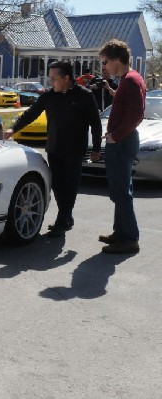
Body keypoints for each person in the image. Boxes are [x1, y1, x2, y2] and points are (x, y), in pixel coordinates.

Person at [3, 61, 102, 238]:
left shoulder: (84, 96)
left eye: (54, 79)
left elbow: (95, 123)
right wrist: (13, 128)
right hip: (55, 147)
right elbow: (31, 113)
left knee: (70, 186)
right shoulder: (49, 96)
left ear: (66, 78)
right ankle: (66, 216)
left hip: (75, 149)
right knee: (56, 184)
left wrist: (95, 148)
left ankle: (62, 220)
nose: (51, 82)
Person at [97, 39, 146, 254]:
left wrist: (115, 136)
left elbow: (136, 114)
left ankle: (129, 238)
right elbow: (128, 105)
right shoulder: (127, 80)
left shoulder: (131, 80)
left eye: (106, 62)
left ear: (117, 59)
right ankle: (120, 232)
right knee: (120, 189)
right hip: (121, 140)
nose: (104, 66)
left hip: (122, 142)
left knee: (122, 191)